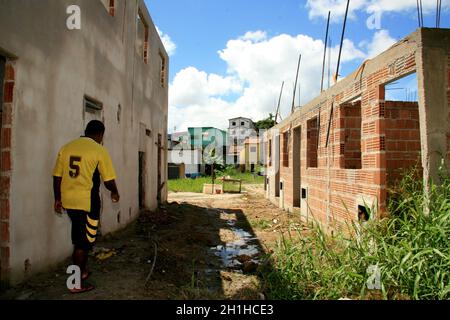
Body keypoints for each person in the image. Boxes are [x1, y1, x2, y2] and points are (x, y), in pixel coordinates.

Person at [53, 120, 120, 293]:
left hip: (69, 202)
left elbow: (57, 176)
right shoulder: (99, 150)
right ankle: (75, 283)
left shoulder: (66, 148)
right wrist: (114, 192)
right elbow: (108, 180)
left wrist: (57, 198)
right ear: (100, 134)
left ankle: (81, 271)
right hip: (87, 203)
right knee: (82, 243)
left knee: (81, 238)